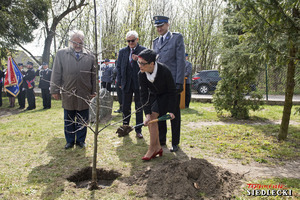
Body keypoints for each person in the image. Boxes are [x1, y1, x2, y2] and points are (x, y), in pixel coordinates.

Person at [50, 30, 96, 149]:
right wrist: (55, 89)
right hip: (68, 91)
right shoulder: (61, 54)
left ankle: (81, 140)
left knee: (83, 118)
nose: (77, 45)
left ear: (83, 42)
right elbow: (56, 72)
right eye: (74, 42)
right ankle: (70, 141)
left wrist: (94, 90)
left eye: (80, 42)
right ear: (70, 42)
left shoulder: (90, 56)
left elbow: (93, 75)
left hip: (84, 92)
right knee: (69, 118)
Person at [152, 15, 186, 152]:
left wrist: (179, 82)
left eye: (161, 25)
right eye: (157, 26)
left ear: (167, 25)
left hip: (172, 84)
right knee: (160, 113)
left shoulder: (176, 38)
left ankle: (175, 142)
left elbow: (180, 61)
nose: (159, 28)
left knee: (173, 114)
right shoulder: (155, 42)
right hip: (159, 84)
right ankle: (161, 140)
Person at [138, 49, 176, 161]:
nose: (140, 66)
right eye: (138, 63)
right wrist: (147, 114)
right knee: (151, 119)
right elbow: (143, 95)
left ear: (152, 64)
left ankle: (151, 149)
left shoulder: (165, 71)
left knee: (154, 117)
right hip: (154, 96)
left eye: (142, 63)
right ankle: (158, 147)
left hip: (167, 96)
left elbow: (172, 91)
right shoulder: (141, 74)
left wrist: (172, 110)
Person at [117, 30, 146, 138]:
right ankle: (125, 128)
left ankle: (138, 130)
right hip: (126, 83)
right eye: (128, 41)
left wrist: (138, 60)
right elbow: (119, 67)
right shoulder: (123, 51)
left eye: (132, 41)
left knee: (139, 107)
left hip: (139, 83)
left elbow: (147, 66)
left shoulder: (143, 50)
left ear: (137, 40)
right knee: (125, 107)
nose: (130, 43)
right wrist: (119, 81)